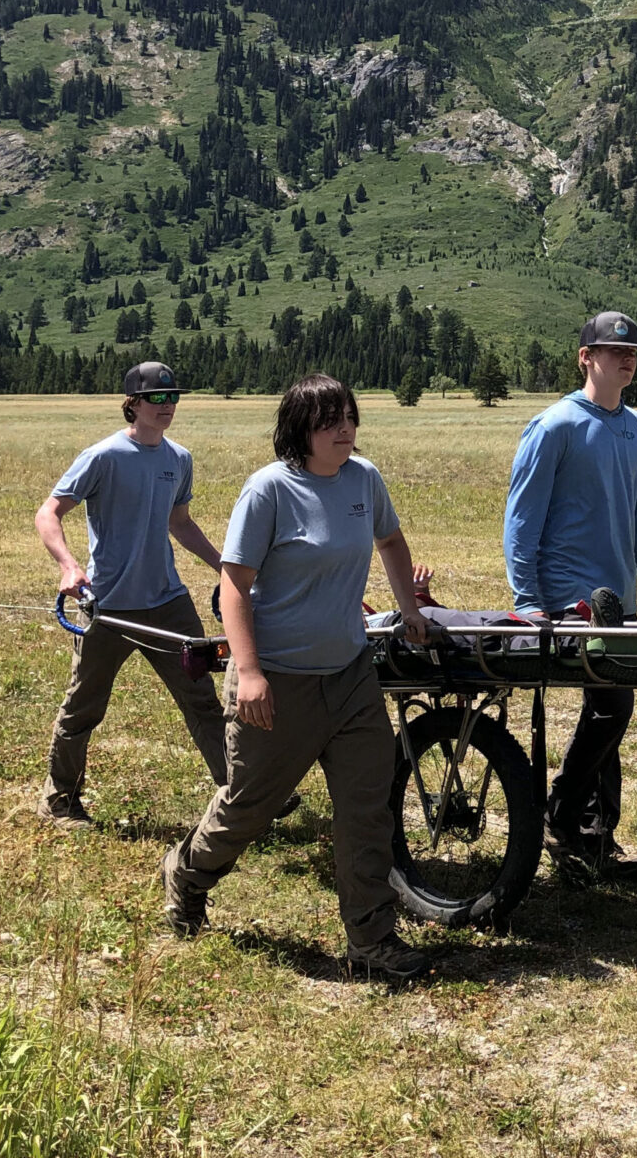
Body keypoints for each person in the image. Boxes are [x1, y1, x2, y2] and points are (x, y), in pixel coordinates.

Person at [161, 373, 434, 982]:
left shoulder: (364, 479)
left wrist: (409, 609)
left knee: (367, 809)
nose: (345, 430)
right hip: (276, 684)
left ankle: (371, 939)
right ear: (299, 430)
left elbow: (390, 540)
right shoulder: (269, 491)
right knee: (247, 809)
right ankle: (186, 873)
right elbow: (234, 585)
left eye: (350, 418)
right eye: (329, 421)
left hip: (349, 677)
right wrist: (249, 670)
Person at [503, 310, 637, 883]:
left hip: (620, 599)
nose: (625, 358)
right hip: (568, 600)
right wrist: (527, 600)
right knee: (614, 706)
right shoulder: (554, 426)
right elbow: (521, 520)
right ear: (586, 357)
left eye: (631, 352)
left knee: (608, 711)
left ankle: (595, 838)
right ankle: (567, 819)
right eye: (613, 351)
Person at [35, 361, 227, 829]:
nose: (167, 407)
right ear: (133, 404)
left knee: (202, 698)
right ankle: (59, 802)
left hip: (168, 602)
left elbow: (179, 524)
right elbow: (49, 512)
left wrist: (226, 568)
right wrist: (69, 566)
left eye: (173, 398)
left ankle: (239, 796)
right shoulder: (103, 457)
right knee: (84, 706)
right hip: (109, 607)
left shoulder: (178, 459)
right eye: (157, 399)